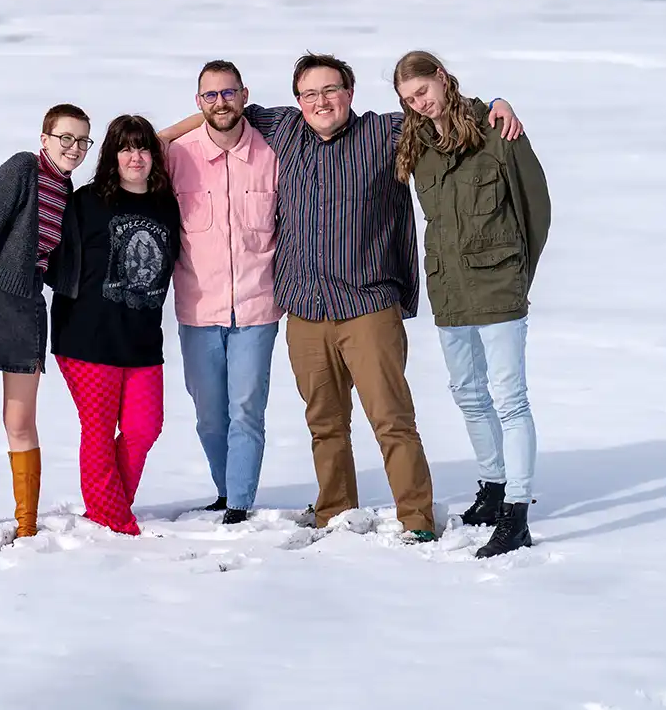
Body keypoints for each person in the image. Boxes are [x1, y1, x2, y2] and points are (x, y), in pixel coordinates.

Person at [161, 54, 522, 543]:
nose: (320, 101)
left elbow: (439, 112)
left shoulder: (386, 133)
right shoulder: (284, 128)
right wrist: (159, 138)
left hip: (368, 305)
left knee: (392, 419)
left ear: (350, 93)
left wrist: (492, 105)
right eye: (309, 94)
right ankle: (335, 508)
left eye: (330, 90)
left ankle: (416, 516)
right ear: (297, 101)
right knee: (324, 423)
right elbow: (220, 111)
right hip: (306, 310)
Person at [393, 50, 550, 558]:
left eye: (423, 91)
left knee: (509, 397)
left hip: (499, 288)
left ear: (441, 77)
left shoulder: (496, 130)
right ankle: (493, 487)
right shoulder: (418, 142)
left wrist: (516, 276)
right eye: (409, 100)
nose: (420, 104)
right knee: (468, 392)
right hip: (449, 290)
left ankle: (518, 511)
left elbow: (536, 209)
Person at [0, 104, 92, 540]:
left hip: (28, 311)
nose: (74, 147)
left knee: (22, 423)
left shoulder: (66, 190)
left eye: (82, 140)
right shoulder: (21, 170)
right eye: (65, 137)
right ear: (45, 138)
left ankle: (27, 525)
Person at [49, 115, 182, 536]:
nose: (135, 156)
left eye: (143, 148)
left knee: (145, 428)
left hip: (143, 339)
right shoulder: (87, 202)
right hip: (87, 336)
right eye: (126, 148)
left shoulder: (166, 203)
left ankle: (109, 506)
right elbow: (53, 261)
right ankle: (112, 519)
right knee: (100, 430)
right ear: (111, 154)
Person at [166, 60, 282, 526]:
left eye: (229, 93)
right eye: (210, 96)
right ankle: (223, 489)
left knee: (246, 410)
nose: (221, 103)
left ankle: (239, 501)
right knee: (210, 416)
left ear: (245, 94)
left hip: (258, 306)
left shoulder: (273, 151)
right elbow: (131, 147)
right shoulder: (177, 155)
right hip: (197, 309)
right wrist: (189, 125)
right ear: (198, 103)